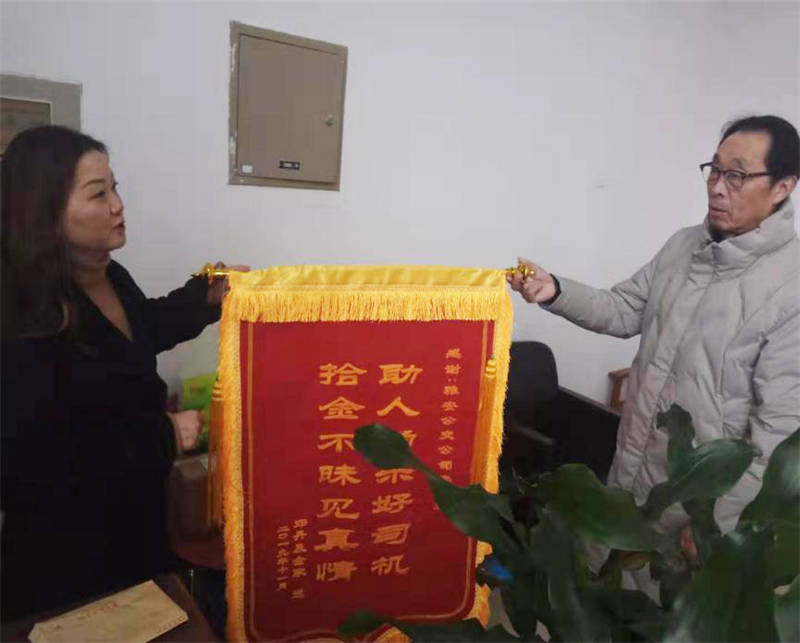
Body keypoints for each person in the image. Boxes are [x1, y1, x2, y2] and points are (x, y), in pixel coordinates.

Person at [508, 115, 799, 567]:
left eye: (737, 176)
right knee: (602, 584)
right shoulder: (683, 246)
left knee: (652, 601)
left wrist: (716, 522)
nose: (717, 188)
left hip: (693, 507)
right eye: (714, 170)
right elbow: (625, 308)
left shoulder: (790, 289)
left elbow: (779, 435)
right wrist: (556, 291)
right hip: (629, 472)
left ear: (782, 187)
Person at [0, 125, 244, 620]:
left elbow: (140, 330)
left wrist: (205, 296)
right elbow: (28, 467)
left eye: (115, 187)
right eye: (98, 194)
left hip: (137, 528)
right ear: (46, 210)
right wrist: (163, 436)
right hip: (67, 565)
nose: (118, 205)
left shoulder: (111, 275)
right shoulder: (20, 314)